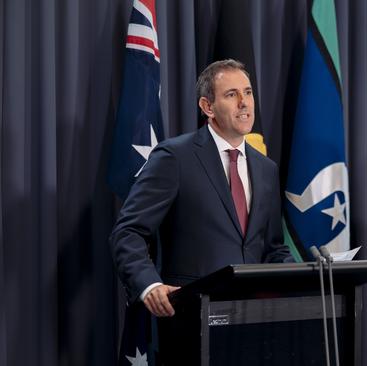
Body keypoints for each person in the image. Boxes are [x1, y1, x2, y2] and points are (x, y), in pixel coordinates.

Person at [109, 59, 290, 364]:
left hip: (255, 326)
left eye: (248, 92)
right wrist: (149, 284)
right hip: (191, 324)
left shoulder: (266, 169)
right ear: (207, 106)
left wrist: (305, 277)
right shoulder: (175, 157)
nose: (244, 102)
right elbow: (127, 232)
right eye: (231, 94)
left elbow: (271, 247)